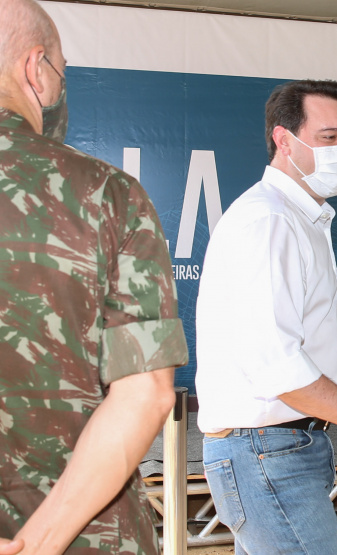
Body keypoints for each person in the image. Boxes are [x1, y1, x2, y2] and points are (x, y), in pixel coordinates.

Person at [194, 79, 337, 554]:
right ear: (284, 140)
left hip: (280, 450)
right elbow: (276, 365)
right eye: (328, 137)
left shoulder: (300, 217)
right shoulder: (271, 222)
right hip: (266, 452)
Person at [0, 0, 189, 553]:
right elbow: (146, 394)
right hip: (88, 533)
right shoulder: (107, 194)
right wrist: (38, 541)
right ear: (35, 69)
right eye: (59, 72)